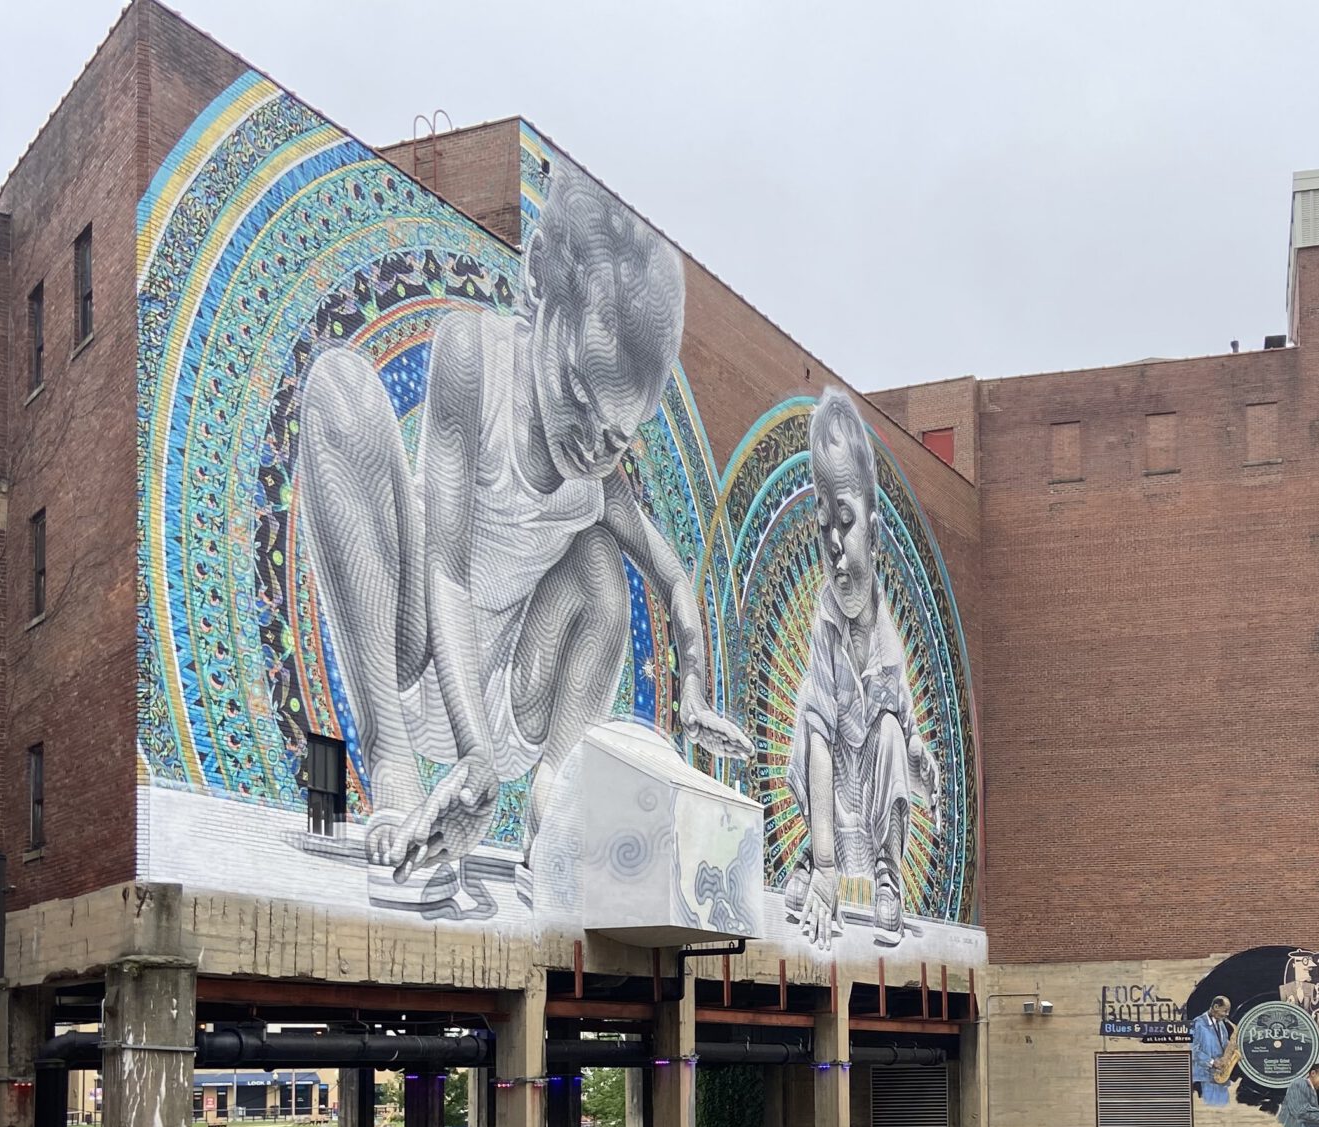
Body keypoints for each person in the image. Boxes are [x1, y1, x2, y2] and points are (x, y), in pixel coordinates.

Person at [294, 157, 751, 913]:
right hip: (418, 660)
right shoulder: (474, 357)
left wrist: (694, 687)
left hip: (516, 701)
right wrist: (470, 753)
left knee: (602, 562)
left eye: (618, 436)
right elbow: (443, 565)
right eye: (577, 396)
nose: (593, 448)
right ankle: (394, 775)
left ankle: (548, 821)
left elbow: (673, 581)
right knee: (340, 388)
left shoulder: (597, 467)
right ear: (538, 282)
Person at [783, 388, 938, 947]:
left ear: (873, 528)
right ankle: (812, 856)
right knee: (807, 721)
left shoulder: (890, 649)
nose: (831, 541)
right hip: (831, 804)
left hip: (871, 806)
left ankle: (888, 872)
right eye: (823, 523)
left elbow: (910, 740)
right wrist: (825, 866)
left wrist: (923, 768)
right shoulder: (823, 628)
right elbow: (819, 740)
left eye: (843, 521)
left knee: (894, 734)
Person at [1190, 994, 1236, 1107]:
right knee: (1212, 1109)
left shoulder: (1220, 1023)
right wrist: (1212, 1062)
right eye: (1225, 1011)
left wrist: (1232, 1047)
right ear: (1216, 1007)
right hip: (1205, 1077)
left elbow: (1224, 1043)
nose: (1227, 1014)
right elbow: (1193, 1051)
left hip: (1220, 1076)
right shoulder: (1198, 1023)